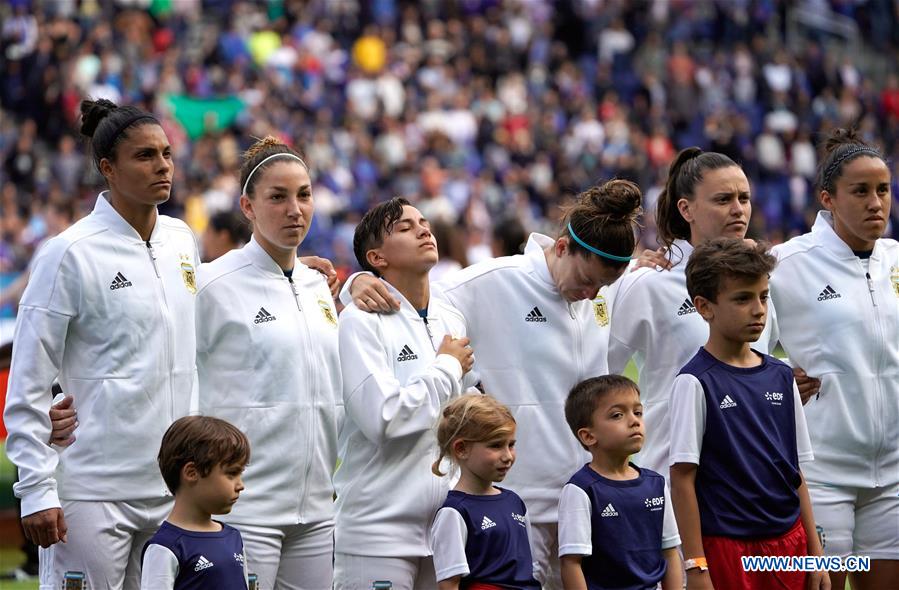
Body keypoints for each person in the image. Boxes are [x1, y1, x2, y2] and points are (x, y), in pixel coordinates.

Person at [345, 180, 642, 588]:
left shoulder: (597, 299)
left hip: (585, 505)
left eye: (602, 288)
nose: (592, 294)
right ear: (560, 248)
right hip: (511, 509)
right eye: (587, 280)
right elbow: (409, 299)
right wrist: (356, 283)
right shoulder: (489, 282)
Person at [2, 98, 199, 589]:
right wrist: (37, 491)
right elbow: (27, 382)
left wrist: (328, 281)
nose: (162, 166)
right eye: (145, 156)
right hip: (92, 491)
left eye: (167, 154)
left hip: (173, 489)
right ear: (107, 168)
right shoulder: (67, 254)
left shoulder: (181, 240)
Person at [605, 148, 815, 478]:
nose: (738, 210)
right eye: (723, 200)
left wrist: (789, 380)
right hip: (678, 481)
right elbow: (599, 375)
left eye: (744, 198)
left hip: (751, 482)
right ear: (686, 209)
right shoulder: (651, 283)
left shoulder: (761, 280)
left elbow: (752, 364)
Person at [194, 137, 341, 590]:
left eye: (303, 194)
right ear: (248, 207)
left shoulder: (320, 286)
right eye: (277, 197)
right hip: (245, 507)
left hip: (318, 509)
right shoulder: (212, 284)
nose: (294, 209)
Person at [769, 128, 898, 590]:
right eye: (860, 192)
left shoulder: (897, 260)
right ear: (827, 198)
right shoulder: (787, 264)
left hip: (895, 476)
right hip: (822, 474)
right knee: (817, 585)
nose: (875, 203)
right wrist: (781, 378)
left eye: (882, 190)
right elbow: (741, 353)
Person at [668, 239, 828, 590]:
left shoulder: (781, 375)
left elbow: (795, 472)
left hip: (789, 543)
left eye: (763, 297)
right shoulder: (694, 382)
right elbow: (682, 479)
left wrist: (815, 554)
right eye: (742, 298)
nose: (758, 309)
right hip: (728, 548)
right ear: (704, 307)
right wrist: (695, 566)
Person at [334, 197, 476, 590]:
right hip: (376, 530)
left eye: (424, 222)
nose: (423, 230)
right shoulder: (360, 322)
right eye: (405, 227)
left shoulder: (450, 317)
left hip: (447, 527)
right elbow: (384, 418)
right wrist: (447, 367)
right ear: (376, 257)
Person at [559, 375, 681, 590]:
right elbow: (571, 563)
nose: (634, 421)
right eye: (617, 415)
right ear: (588, 436)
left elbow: (669, 551)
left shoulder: (656, 484)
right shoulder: (580, 490)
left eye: (638, 412)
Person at [429, 394, 540, 590]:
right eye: (496, 445)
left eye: (511, 445)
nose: (507, 456)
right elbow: (449, 584)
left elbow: (529, 569)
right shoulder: (454, 512)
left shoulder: (515, 502)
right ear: (461, 449)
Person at [140, 416, 250, 590]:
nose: (240, 485)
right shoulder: (165, 547)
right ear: (192, 472)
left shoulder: (234, 538)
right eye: (232, 473)